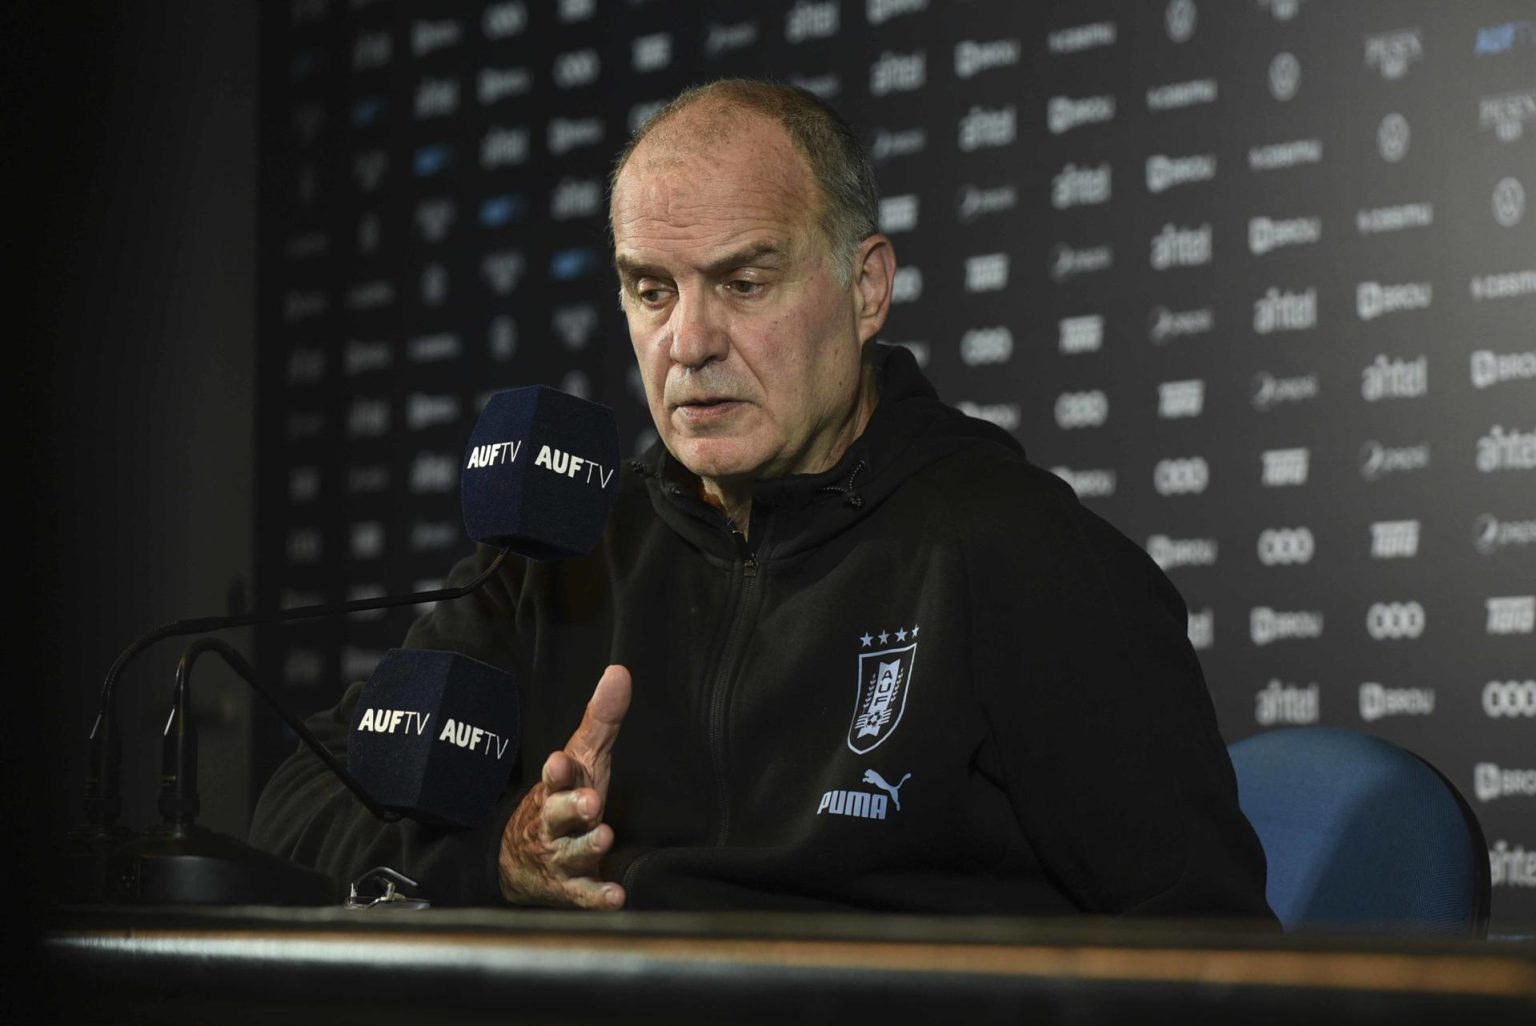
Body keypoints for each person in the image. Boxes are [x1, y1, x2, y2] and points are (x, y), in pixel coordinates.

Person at [251, 79, 1276, 920]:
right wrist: (502, 865)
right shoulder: (563, 548)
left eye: (744, 282)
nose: (688, 344)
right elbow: (303, 799)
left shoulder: (1023, 557)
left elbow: (1209, 954)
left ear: (866, 288)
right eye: (652, 290)